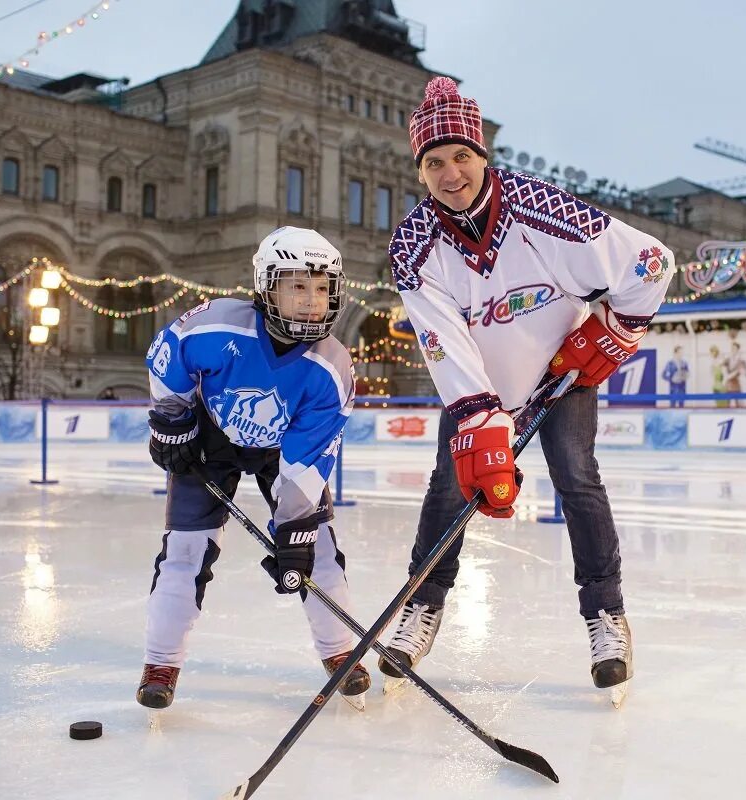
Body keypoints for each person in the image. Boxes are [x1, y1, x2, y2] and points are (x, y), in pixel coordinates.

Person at [379, 76, 674, 706]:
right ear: (421, 171)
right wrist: (479, 416)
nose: (450, 172)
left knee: (577, 479)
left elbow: (651, 262)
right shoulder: (413, 247)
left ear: (483, 156)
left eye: (461, 156)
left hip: (560, 378)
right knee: (446, 485)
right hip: (480, 389)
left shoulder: (545, 211)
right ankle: (420, 606)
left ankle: (605, 614)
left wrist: (616, 329)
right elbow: (443, 341)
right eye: (434, 163)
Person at [136, 227, 371, 712]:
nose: (312, 300)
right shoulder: (217, 324)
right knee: (185, 551)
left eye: (323, 288)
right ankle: (161, 662)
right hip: (209, 438)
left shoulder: (332, 367)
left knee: (317, 551)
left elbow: (307, 459)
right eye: (298, 286)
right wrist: (171, 425)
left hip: (280, 448)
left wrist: (295, 529)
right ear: (267, 286)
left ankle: (340, 651)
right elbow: (168, 359)